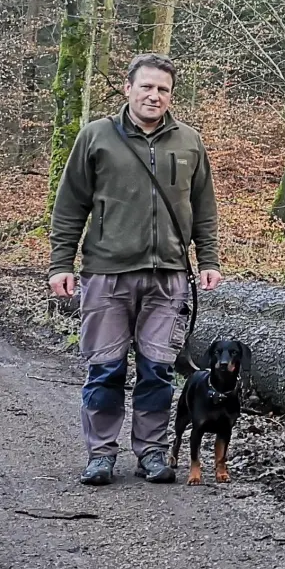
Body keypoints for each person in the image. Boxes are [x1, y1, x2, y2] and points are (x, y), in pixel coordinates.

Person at [48, 53, 222, 486]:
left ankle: (152, 453)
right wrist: (60, 264)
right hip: (107, 273)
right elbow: (70, 205)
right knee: (105, 368)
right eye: (146, 86)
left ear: (171, 95)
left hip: (169, 276)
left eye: (163, 89)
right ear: (127, 88)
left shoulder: (189, 142)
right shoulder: (96, 137)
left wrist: (209, 260)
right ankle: (101, 455)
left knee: (158, 368)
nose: (154, 95)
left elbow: (204, 208)